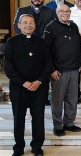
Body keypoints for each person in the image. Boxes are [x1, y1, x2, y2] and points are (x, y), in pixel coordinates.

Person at [5, 14, 51, 156]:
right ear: (18, 25)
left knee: (38, 117)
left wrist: (39, 81)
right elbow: (8, 67)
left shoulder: (42, 42)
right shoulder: (11, 42)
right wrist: (23, 82)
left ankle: (37, 147)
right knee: (18, 118)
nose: (28, 25)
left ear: (35, 26)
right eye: (25, 22)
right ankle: (18, 147)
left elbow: (48, 64)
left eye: (31, 23)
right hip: (19, 87)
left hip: (39, 86)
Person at [13, 0, 57, 106]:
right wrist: (24, 38)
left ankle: (44, 97)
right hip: (26, 44)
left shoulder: (50, 11)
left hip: (44, 45)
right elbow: (16, 26)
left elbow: (53, 28)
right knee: (26, 69)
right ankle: (26, 95)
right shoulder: (22, 10)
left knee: (43, 70)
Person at [44, 4, 81, 136]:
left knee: (72, 99)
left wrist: (79, 64)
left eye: (67, 11)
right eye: (61, 11)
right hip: (59, 71)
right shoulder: (50, 28)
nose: (65, 13)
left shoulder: (73, 26)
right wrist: (52, 69)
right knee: (57, 100)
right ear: (57, 13)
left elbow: (78, 46)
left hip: (74, 69)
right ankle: (58, 125)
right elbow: (46, 51)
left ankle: (69, 123)